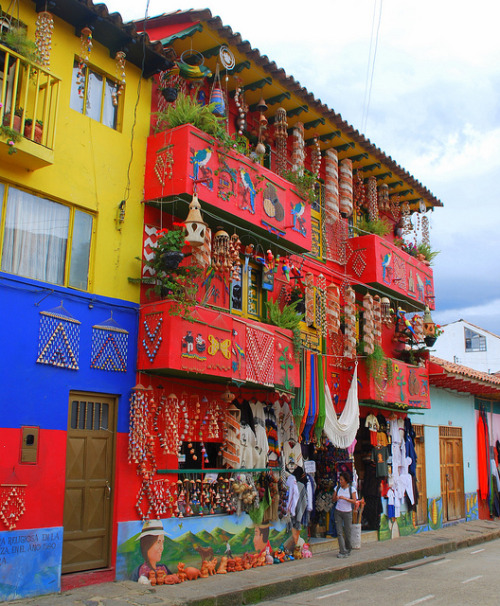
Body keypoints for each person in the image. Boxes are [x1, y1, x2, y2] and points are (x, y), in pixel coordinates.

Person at [333, 471, 357, 558]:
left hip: (347, 512)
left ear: (346, 481)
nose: (340, 481)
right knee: (339, 532)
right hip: (338, 511)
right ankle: (342, 550)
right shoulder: (337, 488)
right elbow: (333, 499)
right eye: (340, 479)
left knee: (347, 532)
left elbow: (354, 501)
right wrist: (337, 497)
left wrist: (345, 499)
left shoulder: (352, 489)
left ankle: (348, 548)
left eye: (342, 480)